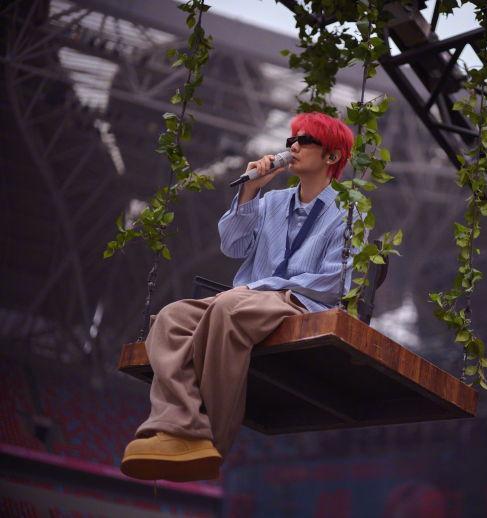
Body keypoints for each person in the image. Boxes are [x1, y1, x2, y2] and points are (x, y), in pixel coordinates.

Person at [120, 112, 355, 482]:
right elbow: (232, 244)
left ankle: (207, 440)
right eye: (291, 140)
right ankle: (174, 426)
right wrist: (250, 191)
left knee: (228, 307)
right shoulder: (272, 202)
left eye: (305, 140)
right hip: (247, 299)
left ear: (332, 156)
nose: (293, 146)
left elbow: (333, 281)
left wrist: (260, 287)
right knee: (170, 318)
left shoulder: (348, 212)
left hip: (299, 303)